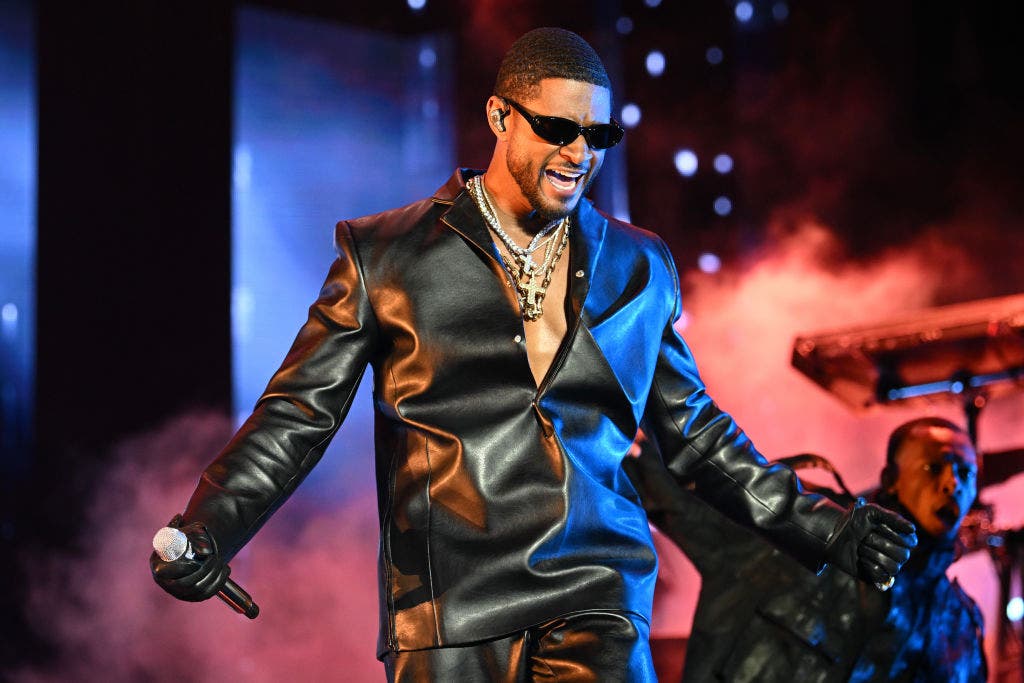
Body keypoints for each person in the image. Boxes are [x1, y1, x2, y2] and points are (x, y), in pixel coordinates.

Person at [150, 27, 917, 681]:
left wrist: (824, 525)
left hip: (597, 587)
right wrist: (210, 526)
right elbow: (297, 415)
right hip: (448, 606)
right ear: (499, 116)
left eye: (599, 136)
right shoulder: (385, 254)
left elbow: (696, 434)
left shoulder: (639, 266)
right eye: (557, 128)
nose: (579, 152)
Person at [626, 416, 986, 682]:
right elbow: (665, 480)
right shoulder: (796, 527)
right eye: (934, 467)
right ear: (891, 479)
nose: (952, 484)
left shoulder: (959, 630)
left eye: (966, 474)